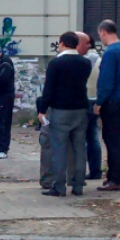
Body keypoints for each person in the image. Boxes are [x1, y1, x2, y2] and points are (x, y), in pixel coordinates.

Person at [38, 32, 92, 197]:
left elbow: (49, 89)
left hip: (60, 110)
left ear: (61, 44)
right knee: (79, 149)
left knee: (59, 149)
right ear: (76, 45)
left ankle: (59, 186)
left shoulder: (56, 63)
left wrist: (42, 109)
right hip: (81, 109)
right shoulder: (86, 63)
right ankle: (78, 186)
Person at [93, 19, 120, 192]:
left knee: (112, 140)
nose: (100, 38)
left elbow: (106, 81)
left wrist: (99, 102)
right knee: (115, 139)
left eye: (99, 35)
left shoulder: (110, 52)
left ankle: (117, 179)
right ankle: (113, 176)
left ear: (103, 32)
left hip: (111, 100)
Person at [77, 32, 103, 180]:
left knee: (79, 137)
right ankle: (95, 170)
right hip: (94, 99)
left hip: (83, 100)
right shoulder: (98, 58)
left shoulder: (84, 59)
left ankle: (79, 171)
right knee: (93, 136)